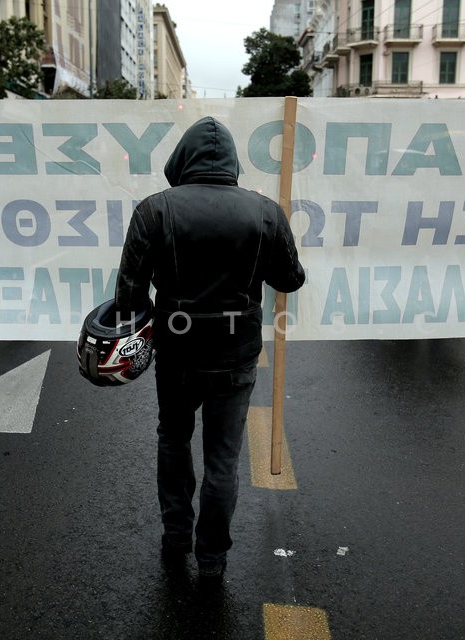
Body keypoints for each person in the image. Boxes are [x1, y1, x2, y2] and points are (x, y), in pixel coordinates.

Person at [115, 116, 305, 580]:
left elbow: (129, 296)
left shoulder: (154, 209)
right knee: (224, 457)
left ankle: (175, 535)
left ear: (182, 159)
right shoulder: (264, 211)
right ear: (234, 163)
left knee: (173, 439)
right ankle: (213, 559)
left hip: (177, 352)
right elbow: (290, 279)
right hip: (237, 354)